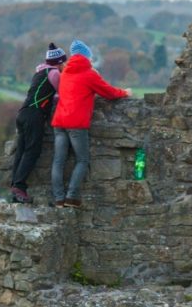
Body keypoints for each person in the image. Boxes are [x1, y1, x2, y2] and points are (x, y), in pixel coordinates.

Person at [50, 39, 131, 208]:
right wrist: (125, 92)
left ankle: (58, 199)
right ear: (87, 57)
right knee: (82, 160)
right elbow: (109, 92)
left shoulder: (65, 72)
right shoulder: (89, 74)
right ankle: (72, 197)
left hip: (59, 121)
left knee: (58, 161)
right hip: (76, 123)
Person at [8, 43, 67, 204]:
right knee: (32, 151)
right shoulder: (54, 73)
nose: (64, 66)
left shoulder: (40, 72)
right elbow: (64, 93)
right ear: (59, 62)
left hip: (23, 113)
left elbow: (46, 94)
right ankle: (20, 187)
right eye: (63, 63)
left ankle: (15, 186)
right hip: (35, 115)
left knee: (21, 150)